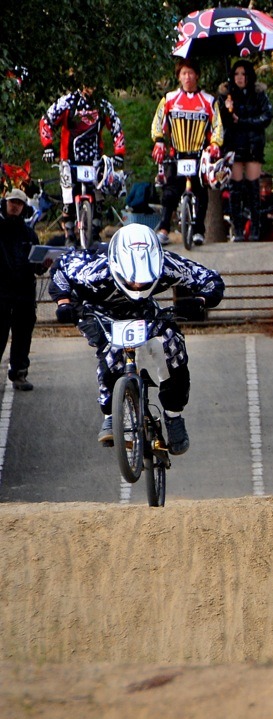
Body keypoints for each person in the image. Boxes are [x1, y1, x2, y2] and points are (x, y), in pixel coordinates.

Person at [49, 224, 225, 453]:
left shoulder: (167, 265)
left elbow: (211, 280)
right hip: (97, 311)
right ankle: (111, 414)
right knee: (111, 352)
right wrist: (63, 303)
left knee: (172, 343)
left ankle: (174, 415)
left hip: (143, 309)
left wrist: (200, 301)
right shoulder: (91, 270)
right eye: (132, 280)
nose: (138, 285)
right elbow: (60, 269)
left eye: (145, 280)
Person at [39, 81, 126, 246]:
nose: (91, 87)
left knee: (99, 193)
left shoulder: (102, 104)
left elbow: (116, 126)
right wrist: (48, 146)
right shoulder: (67, 102)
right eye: (87, 82)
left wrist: (119, 153)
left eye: (94, 83)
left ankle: (95, 230)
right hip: (69, 159)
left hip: (94, 159)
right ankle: (69, 234)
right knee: (68, 197)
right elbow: (46, 121)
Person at [151, 58, 224, 248]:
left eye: (191, 73)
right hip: (177, 153)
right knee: (170, 191)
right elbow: (158, 122)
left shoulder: (208, 101)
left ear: (197, 76)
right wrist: (159, 141)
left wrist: (215, 144)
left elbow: (217, 126)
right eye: (183, 73)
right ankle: (164, 229)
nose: (187, 77)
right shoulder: (169, 99)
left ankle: (199, 230)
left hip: (200, 154)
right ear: (179, 77)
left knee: (201, 192)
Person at [217, 59, 273, 242]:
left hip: (253, 144)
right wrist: (226, 110)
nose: (240, 78)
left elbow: (266, 117)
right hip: (233, 144)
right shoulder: (227, 95)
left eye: (243, 74)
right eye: (236, 74)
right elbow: (220, 120)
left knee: (253, 187)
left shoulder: (259, 94)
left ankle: (255, 229)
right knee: (235, 189)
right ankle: (238, 229)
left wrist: (243, 121)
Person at [0, 189, 47, 391]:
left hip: (24, 294)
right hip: (1, 294)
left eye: (19, 203)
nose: (15, 206)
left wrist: (44, 264)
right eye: (12, 202)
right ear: (5, 203)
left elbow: (37, 267)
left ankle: (19, 374)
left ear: (23, 207)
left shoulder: (29, 234)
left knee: (22, 336)